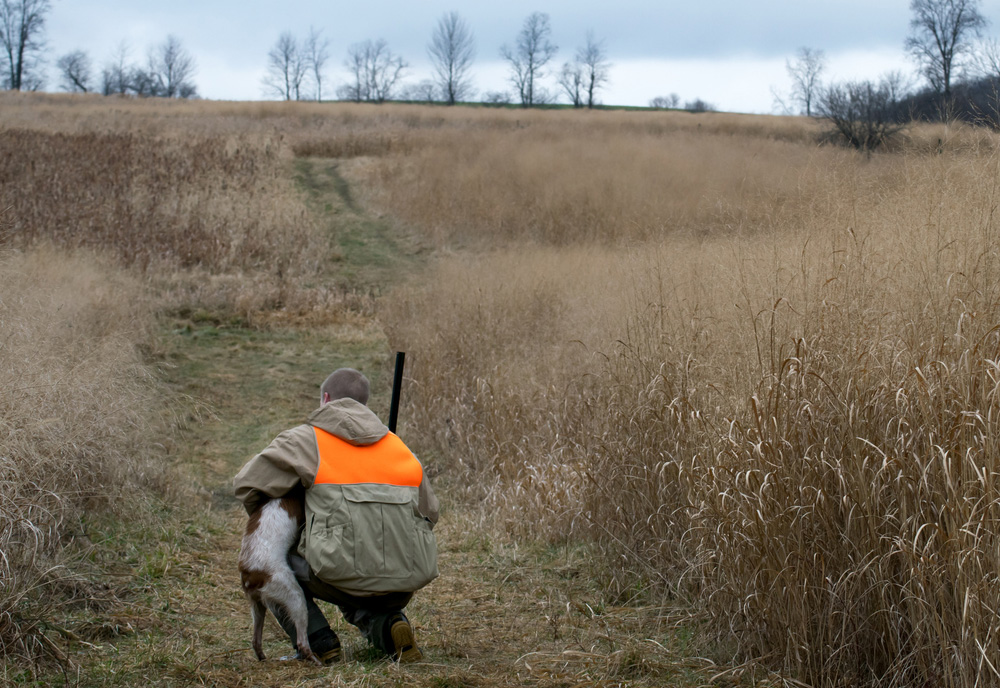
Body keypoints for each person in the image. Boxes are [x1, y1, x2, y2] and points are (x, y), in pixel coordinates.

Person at [234, 368, 439, 664]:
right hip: (402, 582)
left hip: (338, 575)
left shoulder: (306, 440)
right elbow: (430, 513)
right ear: (364, 405)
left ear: (326, 399)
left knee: (268, 560)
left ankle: (318, 640)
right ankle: (390, 625)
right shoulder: (400, 447)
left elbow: (246, 485)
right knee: (357, 573)